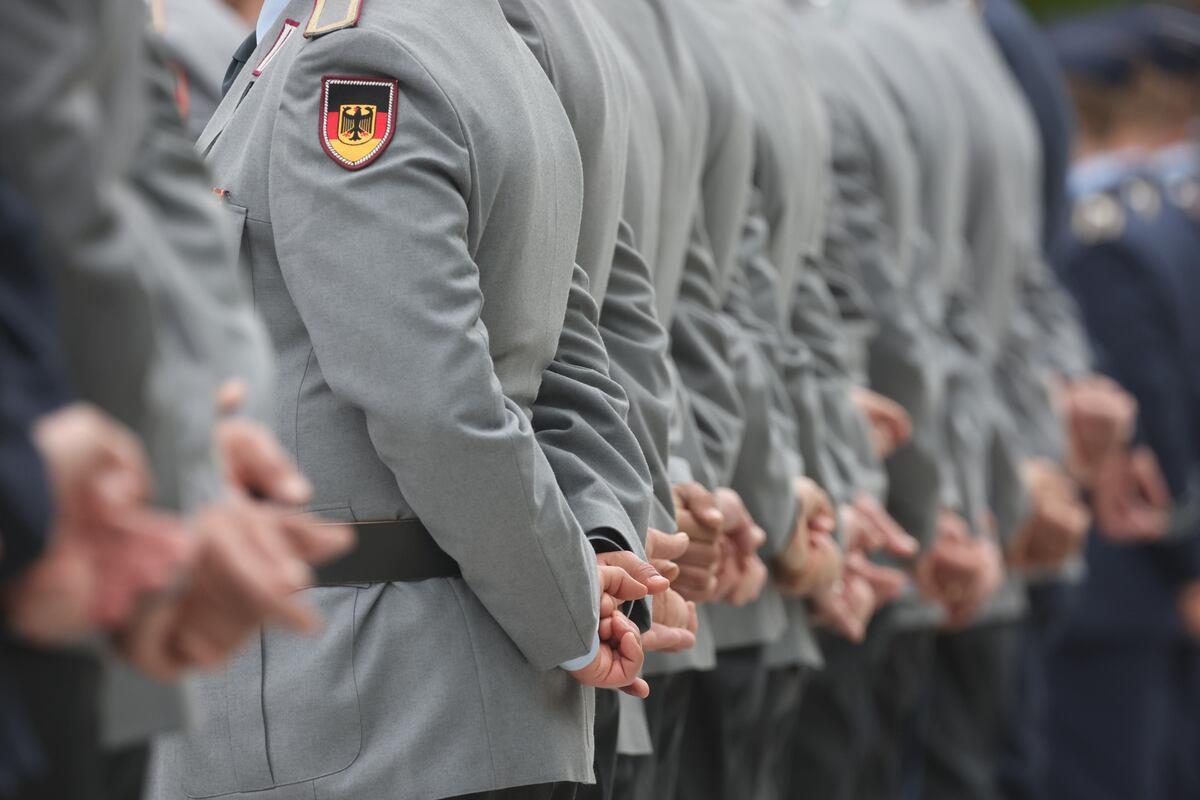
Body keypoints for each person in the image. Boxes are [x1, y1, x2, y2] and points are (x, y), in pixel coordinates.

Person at [149, 0, 666, 797]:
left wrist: (570, 609)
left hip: (356, 720)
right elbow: (569, 358)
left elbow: (433, 405)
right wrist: (592, 553)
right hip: (456, 716)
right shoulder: (484, 44)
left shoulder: (357, 63)